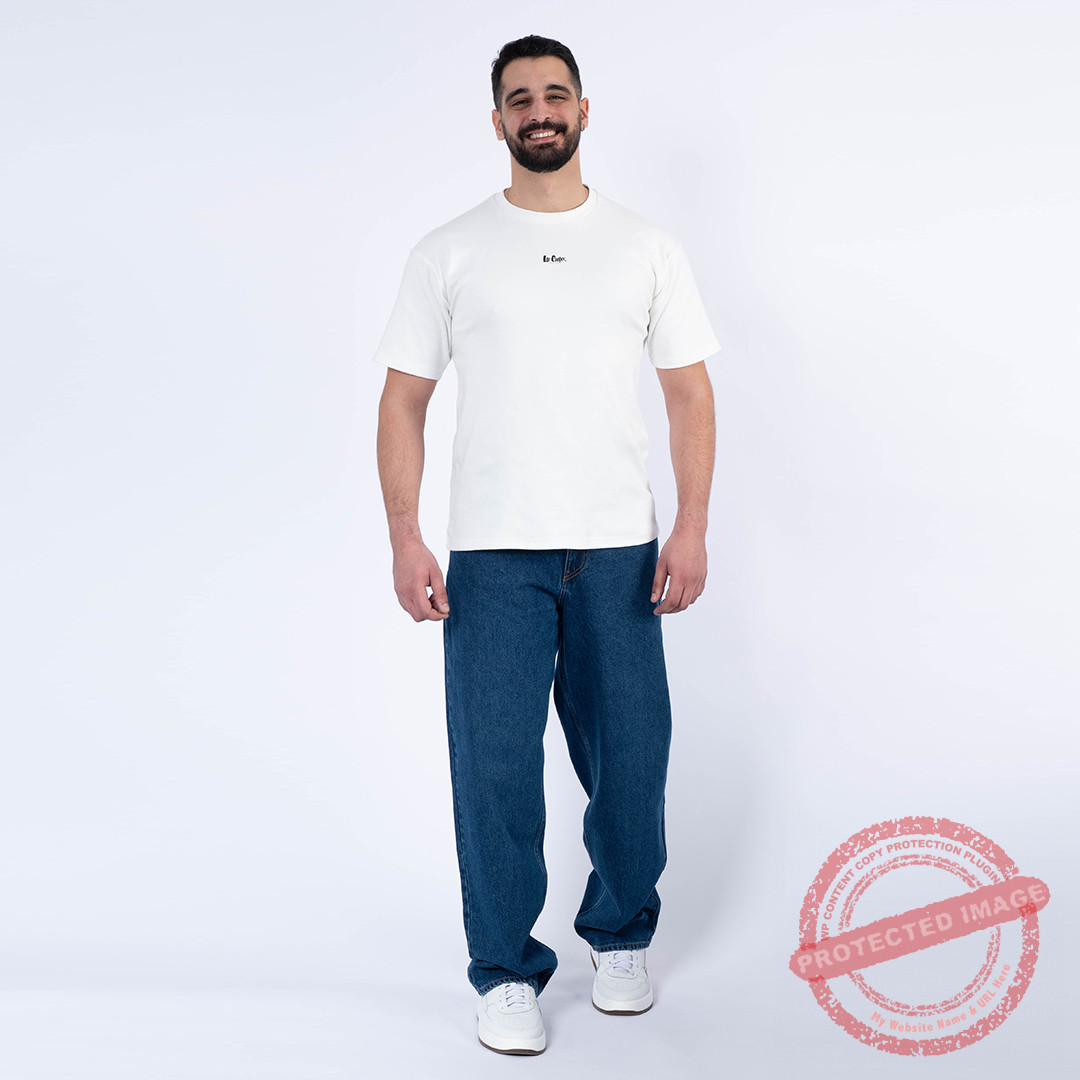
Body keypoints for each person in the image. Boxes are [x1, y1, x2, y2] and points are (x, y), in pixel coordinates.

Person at [373, 34, 719, 1056]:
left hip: (620, 549)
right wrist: (405, 536)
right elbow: (402, 401)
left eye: (555, 94)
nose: (539, 111)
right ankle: (505, 971)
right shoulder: (448, 252)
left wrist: (691, 524)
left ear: (582, 110)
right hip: (492, 556)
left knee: (632, 763)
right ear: (497, 121)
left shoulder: (645, 246)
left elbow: (690, 394)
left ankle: (620, 937)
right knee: (494, 773)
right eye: (519, 98)